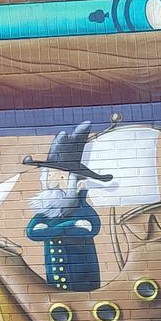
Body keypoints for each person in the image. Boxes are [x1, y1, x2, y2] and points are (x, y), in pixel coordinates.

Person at [22, 122, 112, 292]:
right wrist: (69, 226)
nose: (54, 183)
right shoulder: (47, 212)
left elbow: (89, 228)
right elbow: (32, 232)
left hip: (84, 283)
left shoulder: (82, 210)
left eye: (62, 178)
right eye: (51, 176)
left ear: (78, 186)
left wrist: (51, 229)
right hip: (56, 284)